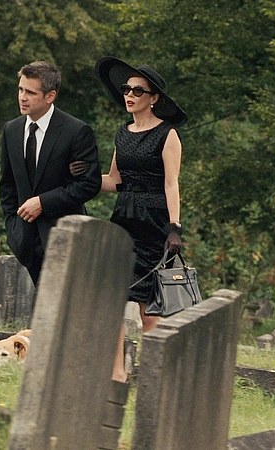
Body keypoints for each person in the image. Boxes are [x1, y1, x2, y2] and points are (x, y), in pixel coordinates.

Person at [93, 56, 187, 382]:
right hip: (123, 221)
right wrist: (81, 178)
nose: (129, 95)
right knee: (113, 298)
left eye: (137, 91)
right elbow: (114, 180)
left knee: (149, 309)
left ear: (154, 98)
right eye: (126, 89)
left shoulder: (167, 134)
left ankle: (151, 378)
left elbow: (172, 183)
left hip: (154, 224)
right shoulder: (123, 133)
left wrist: (174, 228)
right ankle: (117, 373)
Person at [0, 61, 101, 287]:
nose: (22, 97)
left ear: (50, 96)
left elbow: (88, 184)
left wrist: (43, 203)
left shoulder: (77, 131)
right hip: (26, 241)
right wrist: (13, 229)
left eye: (30, 92)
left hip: (65, 239)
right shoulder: (11, 130)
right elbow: (7, 185)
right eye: (20, 89)